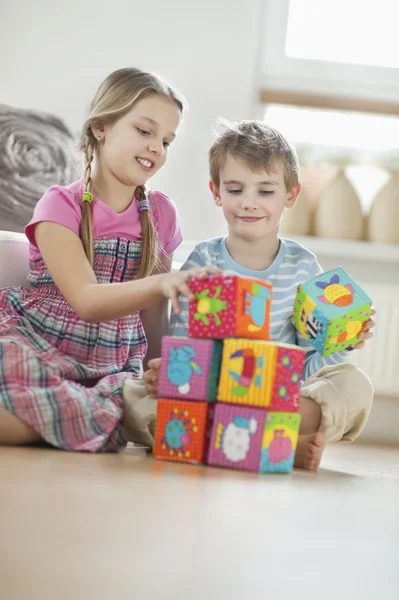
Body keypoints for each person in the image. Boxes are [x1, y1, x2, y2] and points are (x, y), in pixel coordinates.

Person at [0, 67, 218, 452]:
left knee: (147, 406)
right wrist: (159, 283)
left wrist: (161, 375)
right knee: (11, 360)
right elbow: (86, 300)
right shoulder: (60, 204)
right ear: (101, 127)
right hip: (40, 345)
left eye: (167, 141)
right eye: (145, 131)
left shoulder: (162, 215)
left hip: (112, 368)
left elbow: (153, 318)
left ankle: (62, 418)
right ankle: (77, 420)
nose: (157, 147)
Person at [144, 119, 375, 471]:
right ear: (217, 192)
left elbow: (305, 369)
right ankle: (276, 445)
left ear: (291, 195)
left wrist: (338, 344)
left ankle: (246, 440)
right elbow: (185, 347)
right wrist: (170, 373)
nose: (249, 203)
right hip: (211, 397)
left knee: (354, 385)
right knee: (132, 397)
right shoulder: (204, 261)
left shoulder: (302, 267)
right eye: (236, 190)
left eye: (265, 191)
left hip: (279, 396)